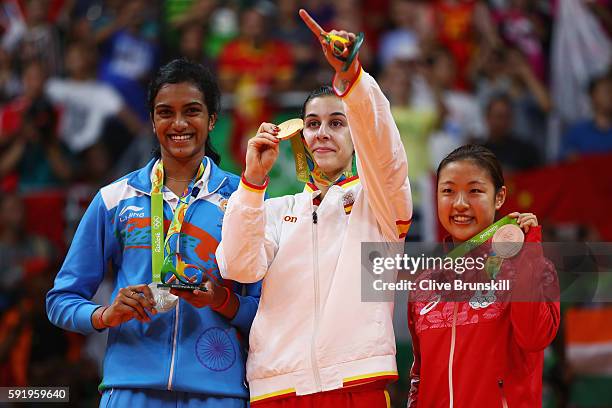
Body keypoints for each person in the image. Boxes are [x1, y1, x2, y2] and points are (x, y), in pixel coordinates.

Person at [216, 10, 413, 407]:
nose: (322, 132)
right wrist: (252, 183)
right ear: (301, 135)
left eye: (337, 123)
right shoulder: (274, 209)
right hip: (278, 386)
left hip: (356, 381)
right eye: (313, 123)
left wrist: (352, 78)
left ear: (356, 133)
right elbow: (238, 268)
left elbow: (384, 151)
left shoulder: (379, 204)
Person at [46, 59, 260, 407]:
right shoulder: (115, 199)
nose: (178, 124)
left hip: (217, 393)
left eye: (191, 111)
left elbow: (266, 309)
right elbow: (60, 300)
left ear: (212, 119)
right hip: (130, 389)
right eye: (165, 112)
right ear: (152, 119)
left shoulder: (243, 201)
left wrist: (222, 300)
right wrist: (105, 315)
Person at [407, 144, 560, 406]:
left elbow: (534, 336)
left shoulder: (533, 268)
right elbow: (419, 377)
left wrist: (528, 255)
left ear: (499, 197)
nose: (460, 204)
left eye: (475, 191)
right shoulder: (424, 284)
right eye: (448, 191)